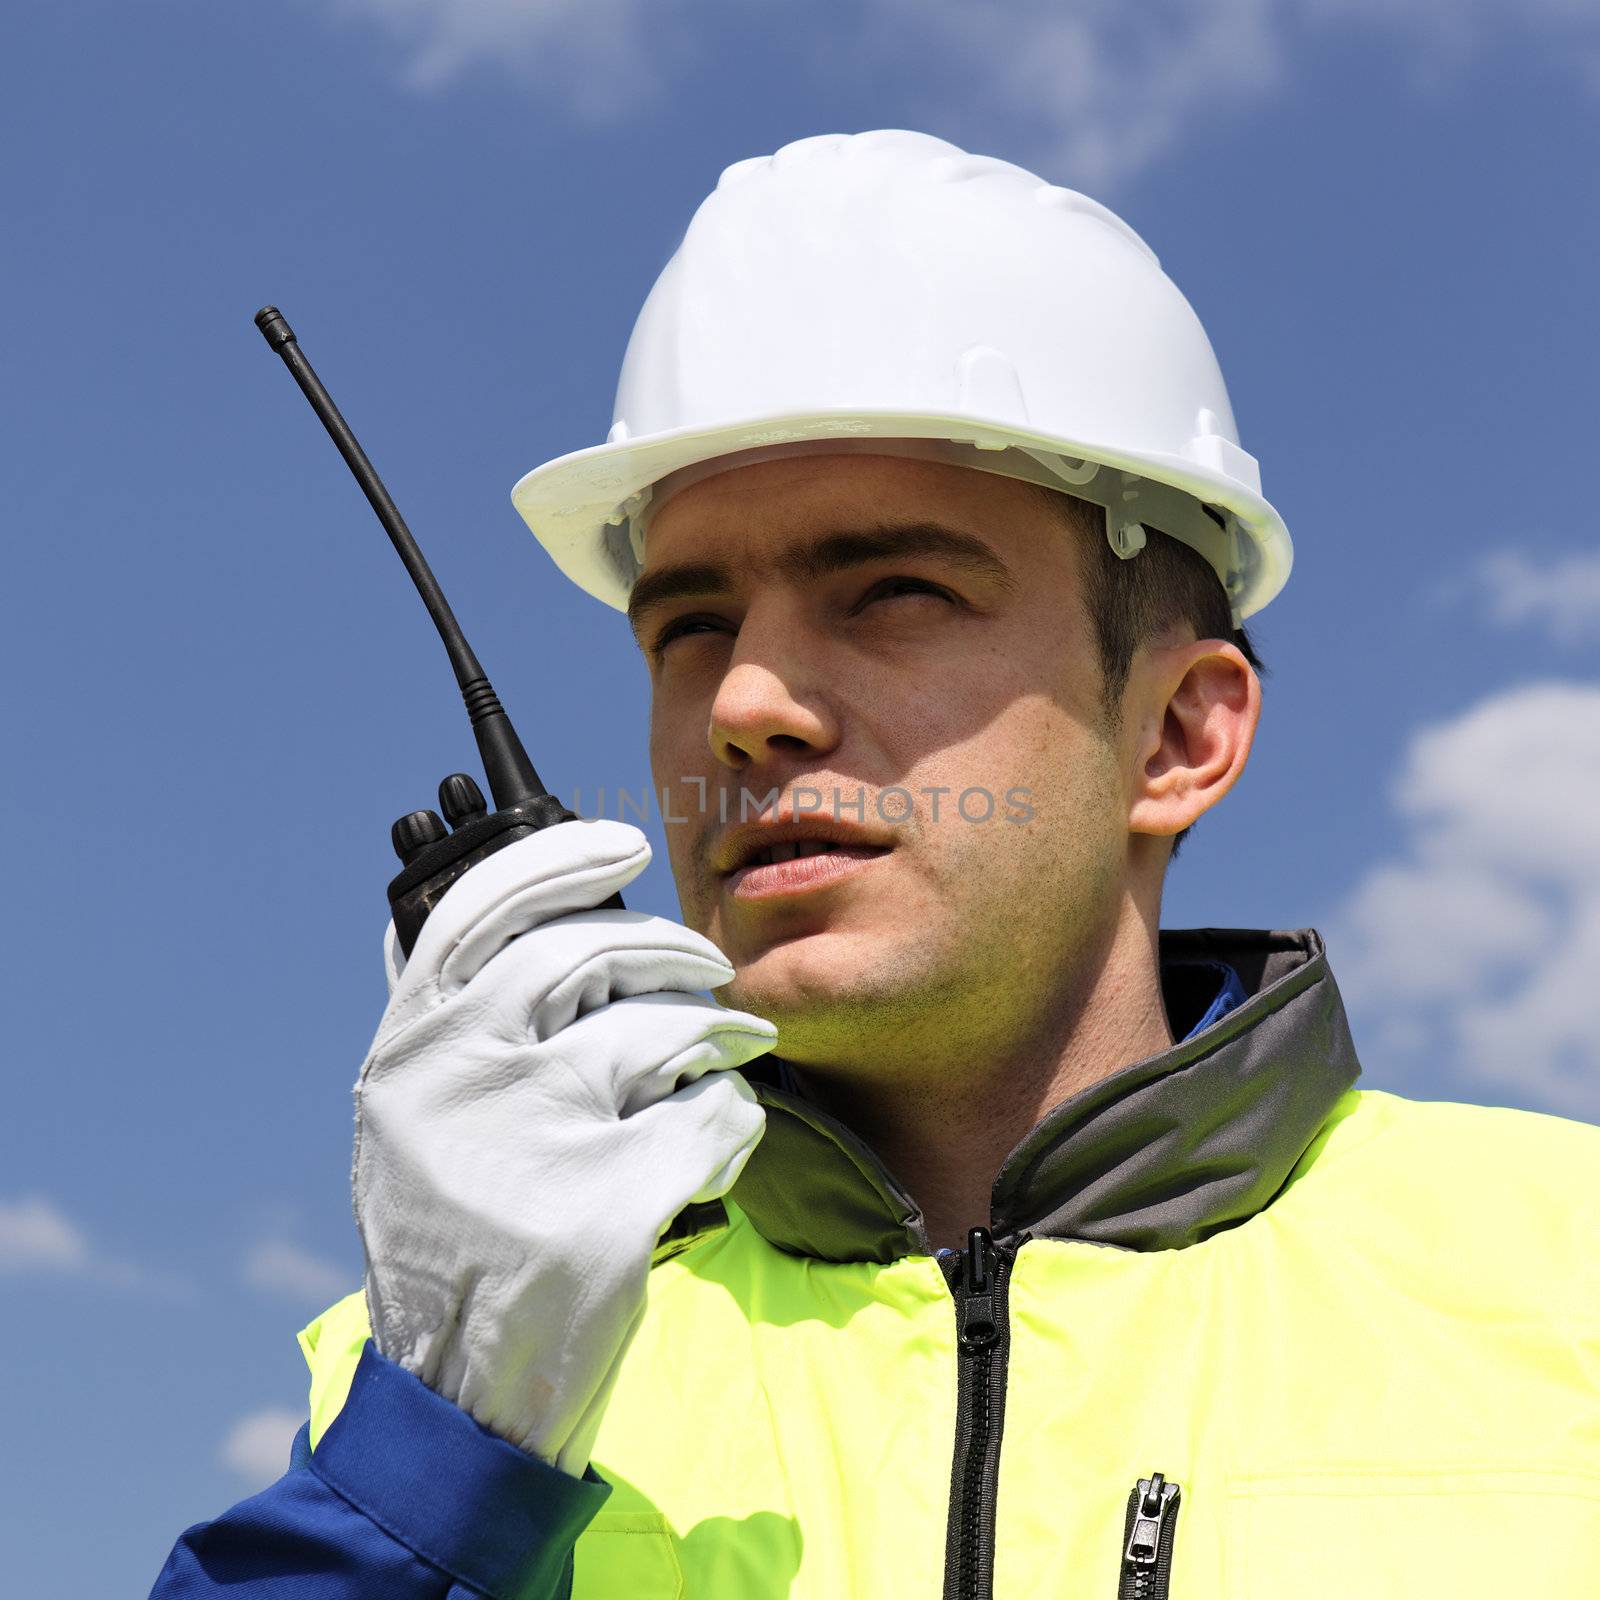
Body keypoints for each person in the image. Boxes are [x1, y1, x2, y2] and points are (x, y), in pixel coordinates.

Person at [150, 131, 1600, 1600]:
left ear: (1177, 733)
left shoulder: (1567, 1280)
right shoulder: (437, 1378)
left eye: (894, 590)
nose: (744, 703)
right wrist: (436, 1461)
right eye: (690, 625)